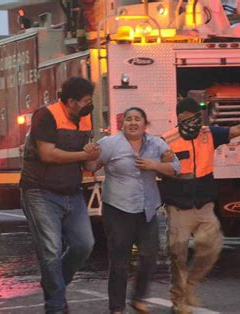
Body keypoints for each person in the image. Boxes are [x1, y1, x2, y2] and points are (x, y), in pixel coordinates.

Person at [161, 97, 240, 314]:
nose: (193, 123)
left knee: (211, 249)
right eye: (187, 118)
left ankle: (190, 285)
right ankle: (179, 301)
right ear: (178, 119)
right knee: (178, 254)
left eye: (196, 118)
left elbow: (239, 129)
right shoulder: (166, 141)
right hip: (178, 208)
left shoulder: (209, 134)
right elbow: (153, 169)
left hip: (205, 206)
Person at [20, 77, 99, 314]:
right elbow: (48, 155)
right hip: (39, 192)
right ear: (72, 101)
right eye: (86, 101)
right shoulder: (45, 115)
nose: (89, 105)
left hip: (72, 191)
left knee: (84, 244)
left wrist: (93, 155)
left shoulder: (84, 118)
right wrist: (82, 155)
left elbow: (90, 166)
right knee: (50, 250)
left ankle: (53, 284)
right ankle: (55, 306)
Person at [95, 107, 180, 314]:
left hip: (147, 209)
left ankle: (138, 298)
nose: (133, 123)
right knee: (119, 261)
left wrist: (155, 165)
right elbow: (91, 165)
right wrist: (89, 154)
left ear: (145, 124)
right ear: (122, 124)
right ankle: (117, 308)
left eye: (137, 119)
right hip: (117, 209)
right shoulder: (109, 144)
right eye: (128, 119)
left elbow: (175, 168)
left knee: (150, 257)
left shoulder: (157, 143)